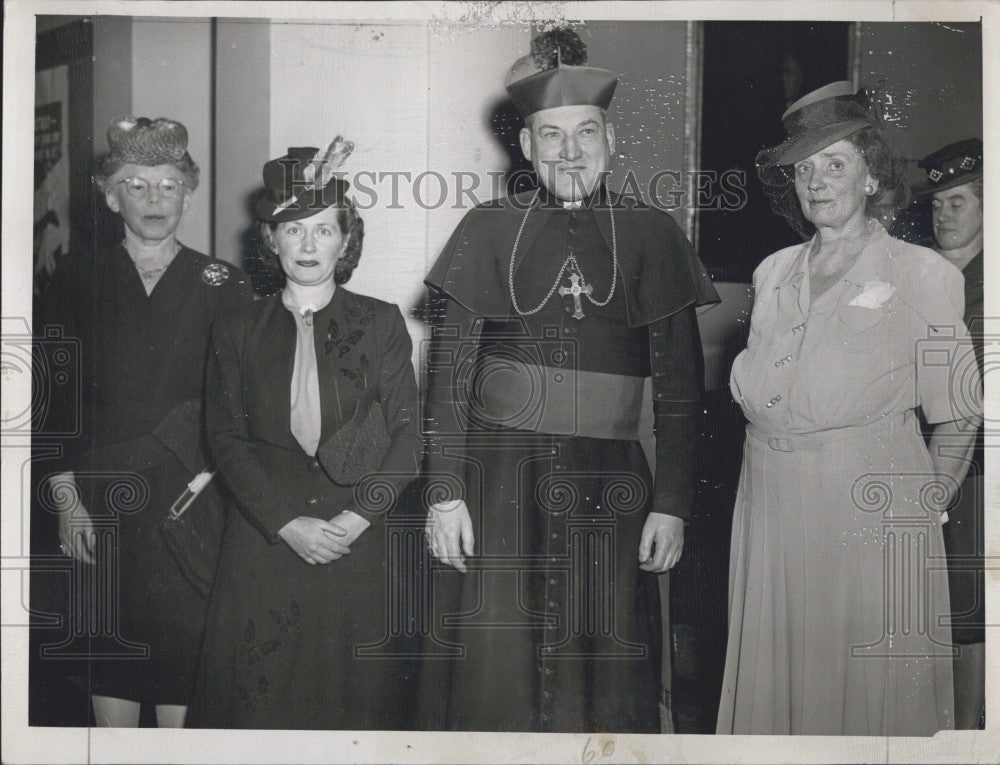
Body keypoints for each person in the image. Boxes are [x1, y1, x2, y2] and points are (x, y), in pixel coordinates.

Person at [421, 28, 719, 732]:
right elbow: (448, 374)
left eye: (586, 133)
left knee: (603, 671)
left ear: (610, 139)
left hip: (610, 483)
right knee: (497, 673)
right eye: (550, 137)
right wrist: (444, 494)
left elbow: (681, 390)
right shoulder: (485, 228)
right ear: (526, 147)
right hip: (496, 481)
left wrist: (672, 502)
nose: (570, 152)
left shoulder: (651, 233)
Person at [716, 82, 982, 736]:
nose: (816, 180)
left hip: (864, 510)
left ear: (871, 174)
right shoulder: (772, 271)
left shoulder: (921, 273)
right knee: (779, 690)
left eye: (835, 163)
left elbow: (960, 414)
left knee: (863, 701)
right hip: (769, 507)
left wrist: (923, 509)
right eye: (804, 168)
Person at [187, 141, 422, 729]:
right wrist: (288, 524)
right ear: (271, 240)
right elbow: (226, 439)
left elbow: (406, 435)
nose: (309, 246)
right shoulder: (237, 328)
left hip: (358, 543)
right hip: (266, 540)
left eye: (324, 231)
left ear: (347, 241)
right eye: (294, 231)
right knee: (258, 706)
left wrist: (356, 520)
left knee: (352, 708)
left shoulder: (381, 322)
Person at [41, 117, 253, 726]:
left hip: (192, 503)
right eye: (137, 186)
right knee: (110, 659)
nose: (154, 200)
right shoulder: (75, 278)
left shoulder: (225, 284)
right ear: (111, 197)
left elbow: (238, 408)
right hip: (101, 502)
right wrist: (66, 500)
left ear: (188, 192)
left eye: (167, 185)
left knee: (185, 667)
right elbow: (54, 402)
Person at [915, 137, 985, 729]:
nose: (943, 217)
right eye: (936, 206)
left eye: (957, 203)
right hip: (916, 458)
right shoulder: (924, 273)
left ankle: (971, 734)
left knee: (968, 611)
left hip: (978, 471)